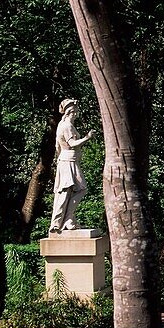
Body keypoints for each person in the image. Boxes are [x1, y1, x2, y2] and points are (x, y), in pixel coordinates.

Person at [49, 98, 95, 233]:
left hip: (69, 160)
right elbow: (72, 144)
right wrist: (87, 137)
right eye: (74, 111)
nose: (76, 114)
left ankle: (67, 219)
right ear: (69, 112)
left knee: (75, 190)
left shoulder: (63, 125)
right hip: (68, 161)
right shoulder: (67, 126)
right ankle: (61, 221)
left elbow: (58, 147)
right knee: (72, 191)